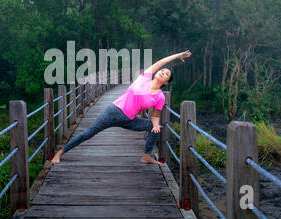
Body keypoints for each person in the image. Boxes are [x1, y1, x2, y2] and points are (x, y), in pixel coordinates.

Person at [50, 50, 192, 165]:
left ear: (166, 82)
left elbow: (155, 115)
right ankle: (60, 153)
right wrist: (177, 55)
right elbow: (160, 62)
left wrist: (155, 125)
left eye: (166, 74)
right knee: (88, 133)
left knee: (155, 128)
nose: (162, 72)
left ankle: (146, 156)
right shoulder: (144, 78)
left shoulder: (160, 97)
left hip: (129, 120)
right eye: (162, 71)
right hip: (113, 112)